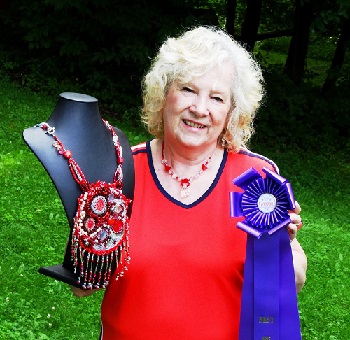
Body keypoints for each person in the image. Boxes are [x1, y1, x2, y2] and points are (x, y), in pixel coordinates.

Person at [71, 25, 307, 339]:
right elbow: (82, 287)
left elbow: (295, 279)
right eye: (188, 90)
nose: (200, 108)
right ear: (163, 93)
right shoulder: (120, 171)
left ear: (232, 112)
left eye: (217, 98)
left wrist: (284, 245)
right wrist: (88, 240)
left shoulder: (258, 178)